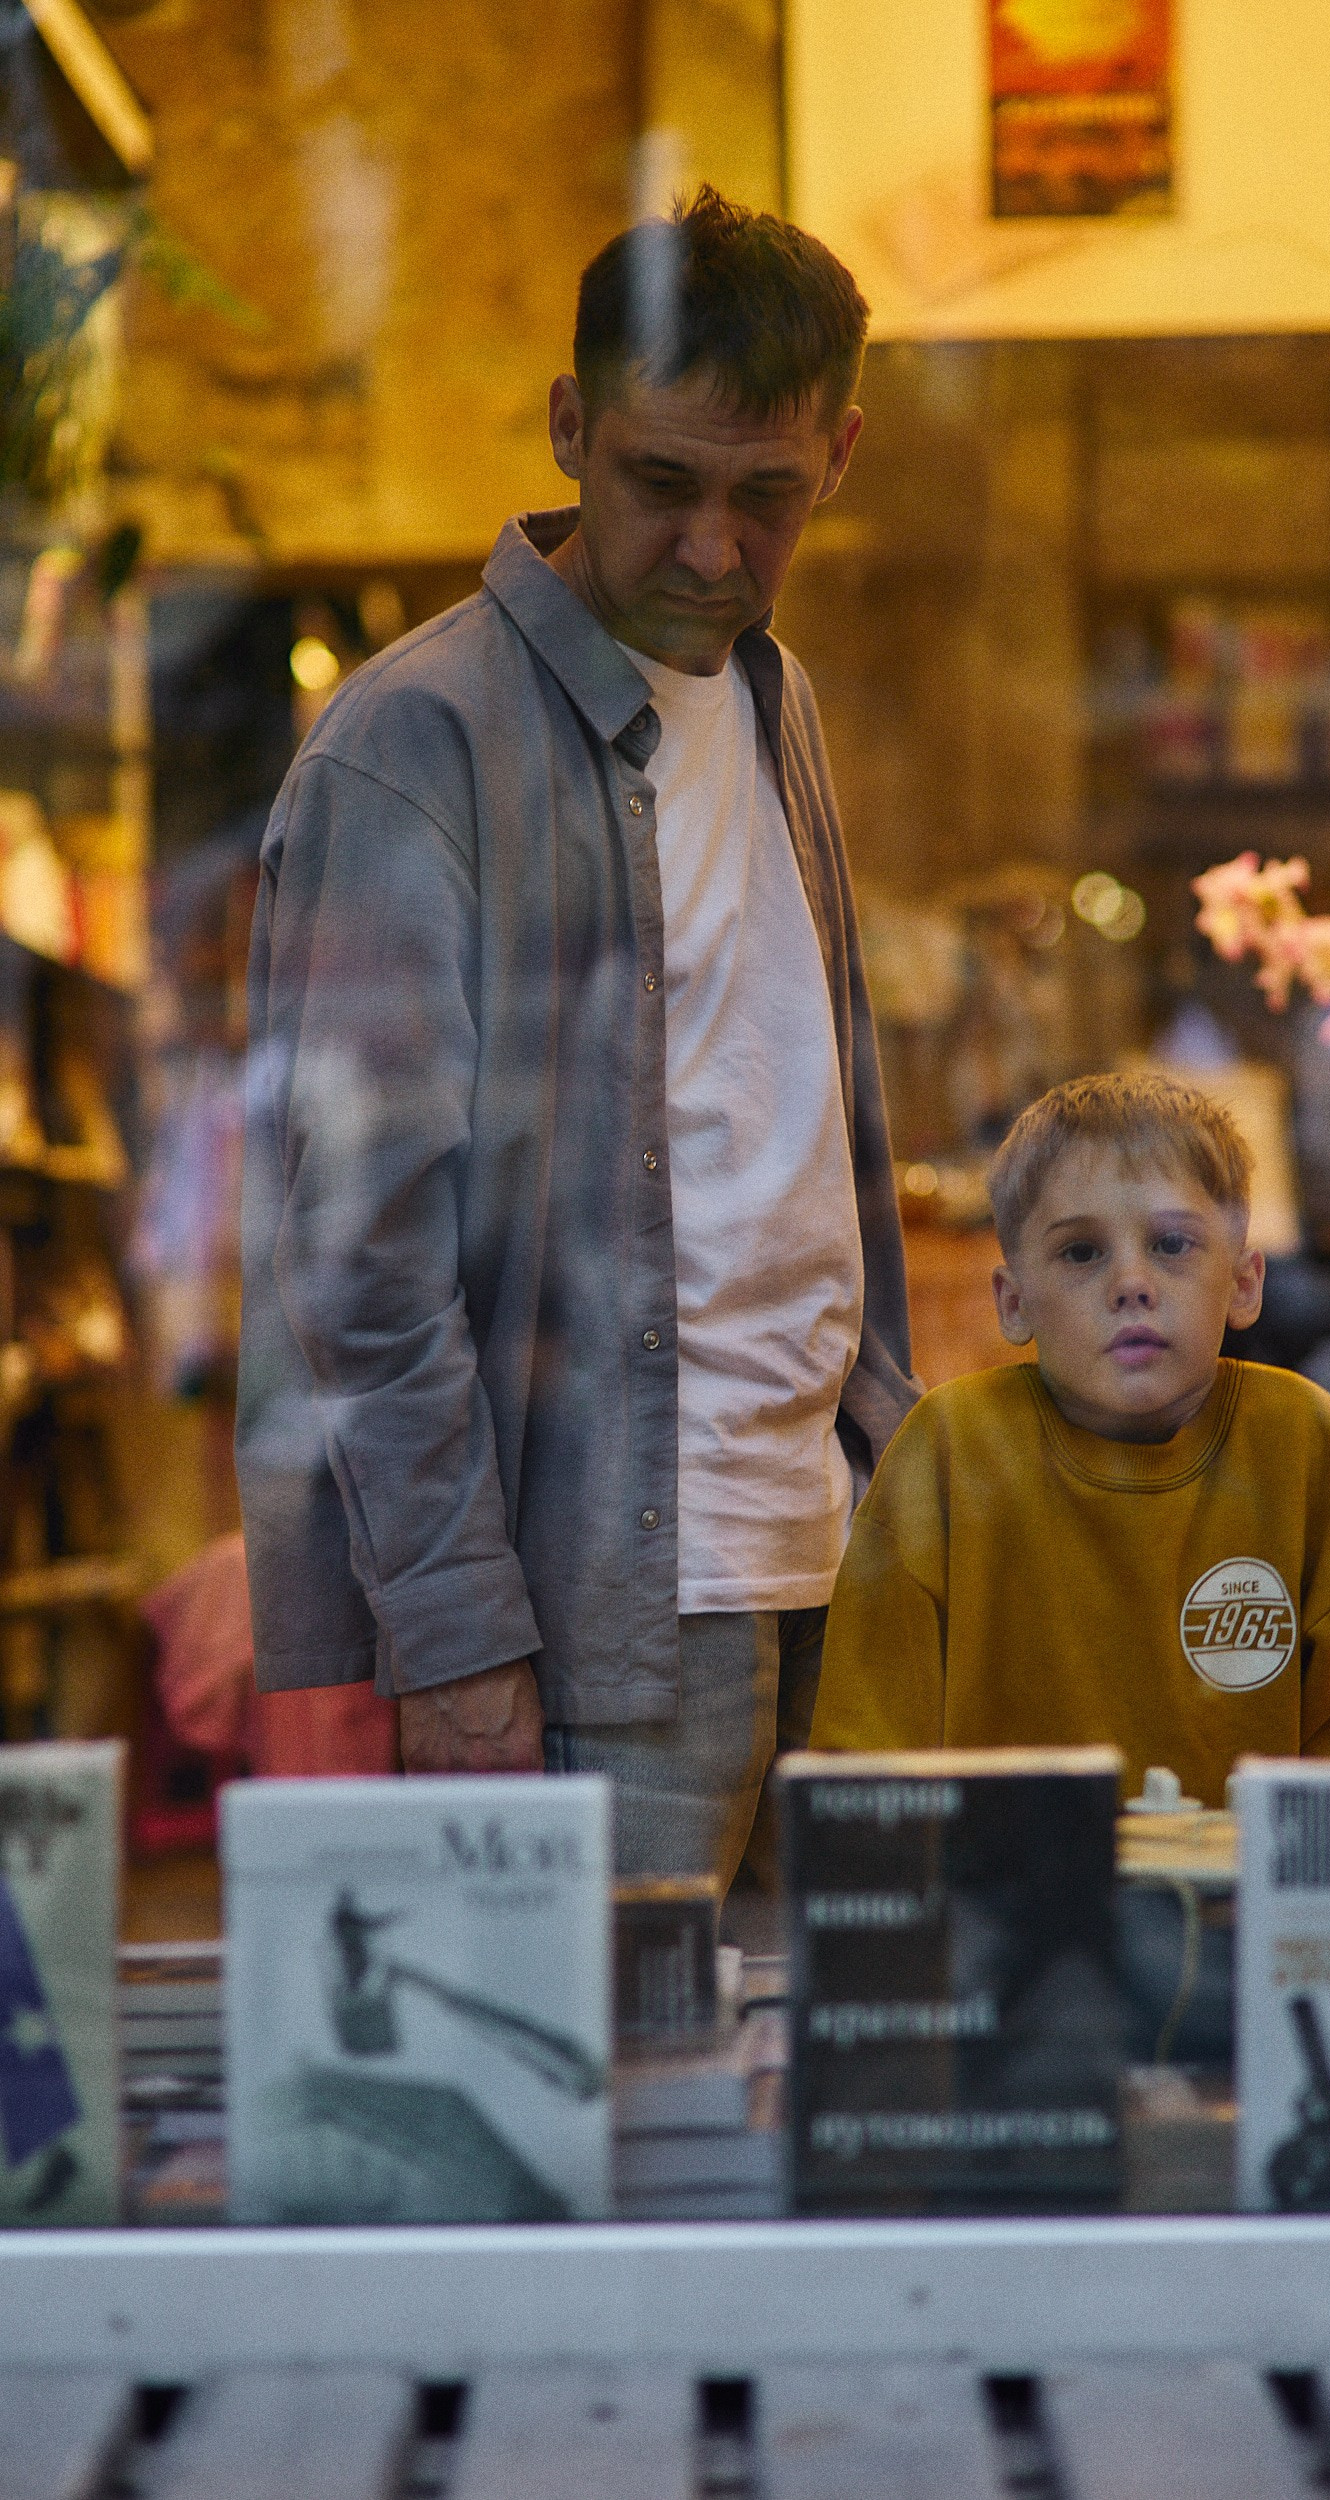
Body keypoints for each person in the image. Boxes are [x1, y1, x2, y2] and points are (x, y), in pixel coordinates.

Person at [237, 188, 916, 1886]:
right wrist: (457, 1630)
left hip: (828, 1561)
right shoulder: (413, 745)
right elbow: (359, 1251)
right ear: (566, 428)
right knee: (610, 2062)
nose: (710, 550)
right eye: (659, 483)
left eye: (764, 496)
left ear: (838, 457)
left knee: (821, 2059)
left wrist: (897, 1476)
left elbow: (817, 1138)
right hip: (590, 1622)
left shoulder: (772, 697)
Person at [809, 1071, 1330, 1804]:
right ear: (1013, 1302)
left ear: (1243, 1283)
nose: (1131, 1283)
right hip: (1005, 1884)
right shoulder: (947, 1453)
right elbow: (864, 1788)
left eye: (1171, 1244)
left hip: (1252, 1882)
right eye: (1081, 1252)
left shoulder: (1303, 1450)